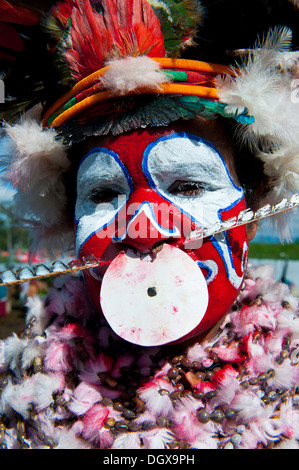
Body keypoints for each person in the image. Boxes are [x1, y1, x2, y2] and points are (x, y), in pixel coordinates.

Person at [0, 0, 298, 450]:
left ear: (252, 206)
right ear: (69, 215)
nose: (142, 229)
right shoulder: (14, 400)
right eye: (101, 194)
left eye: (191, 186)